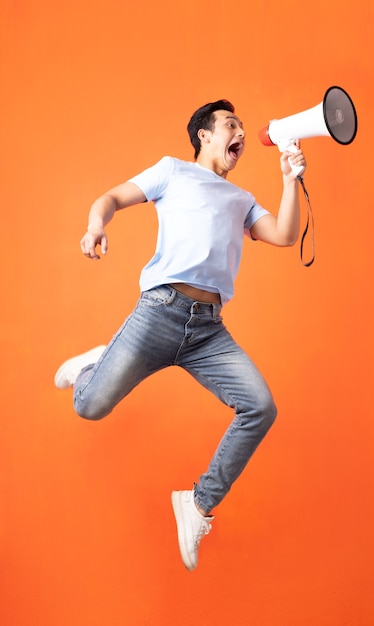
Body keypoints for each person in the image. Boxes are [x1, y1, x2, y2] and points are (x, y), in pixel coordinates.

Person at [54, 99, 306, 571]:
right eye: (230, 125)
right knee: (88, 406)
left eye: (243, 129)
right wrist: (95, 226)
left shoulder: (243, 199)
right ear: (204, 136)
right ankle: (99, 361)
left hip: (208, 331)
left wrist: (290, 179)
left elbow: (285, 234)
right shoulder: (172, 171)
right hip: (160, 312)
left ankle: (197, 503)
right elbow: (109, 198)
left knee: (260, 406)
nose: (241, 134)